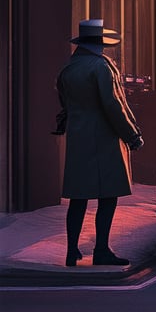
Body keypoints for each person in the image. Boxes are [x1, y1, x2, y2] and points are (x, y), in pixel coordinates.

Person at [53, 19, 144, 267]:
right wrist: (132, 135)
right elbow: (114, 105)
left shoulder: (68, 69)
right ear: (100, 43)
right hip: (105, 139)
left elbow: (65, 104)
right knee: (108, 195)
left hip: (78, 138)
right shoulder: (102, 67)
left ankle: (72, 251)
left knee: (78, 197)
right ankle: (101, 250)